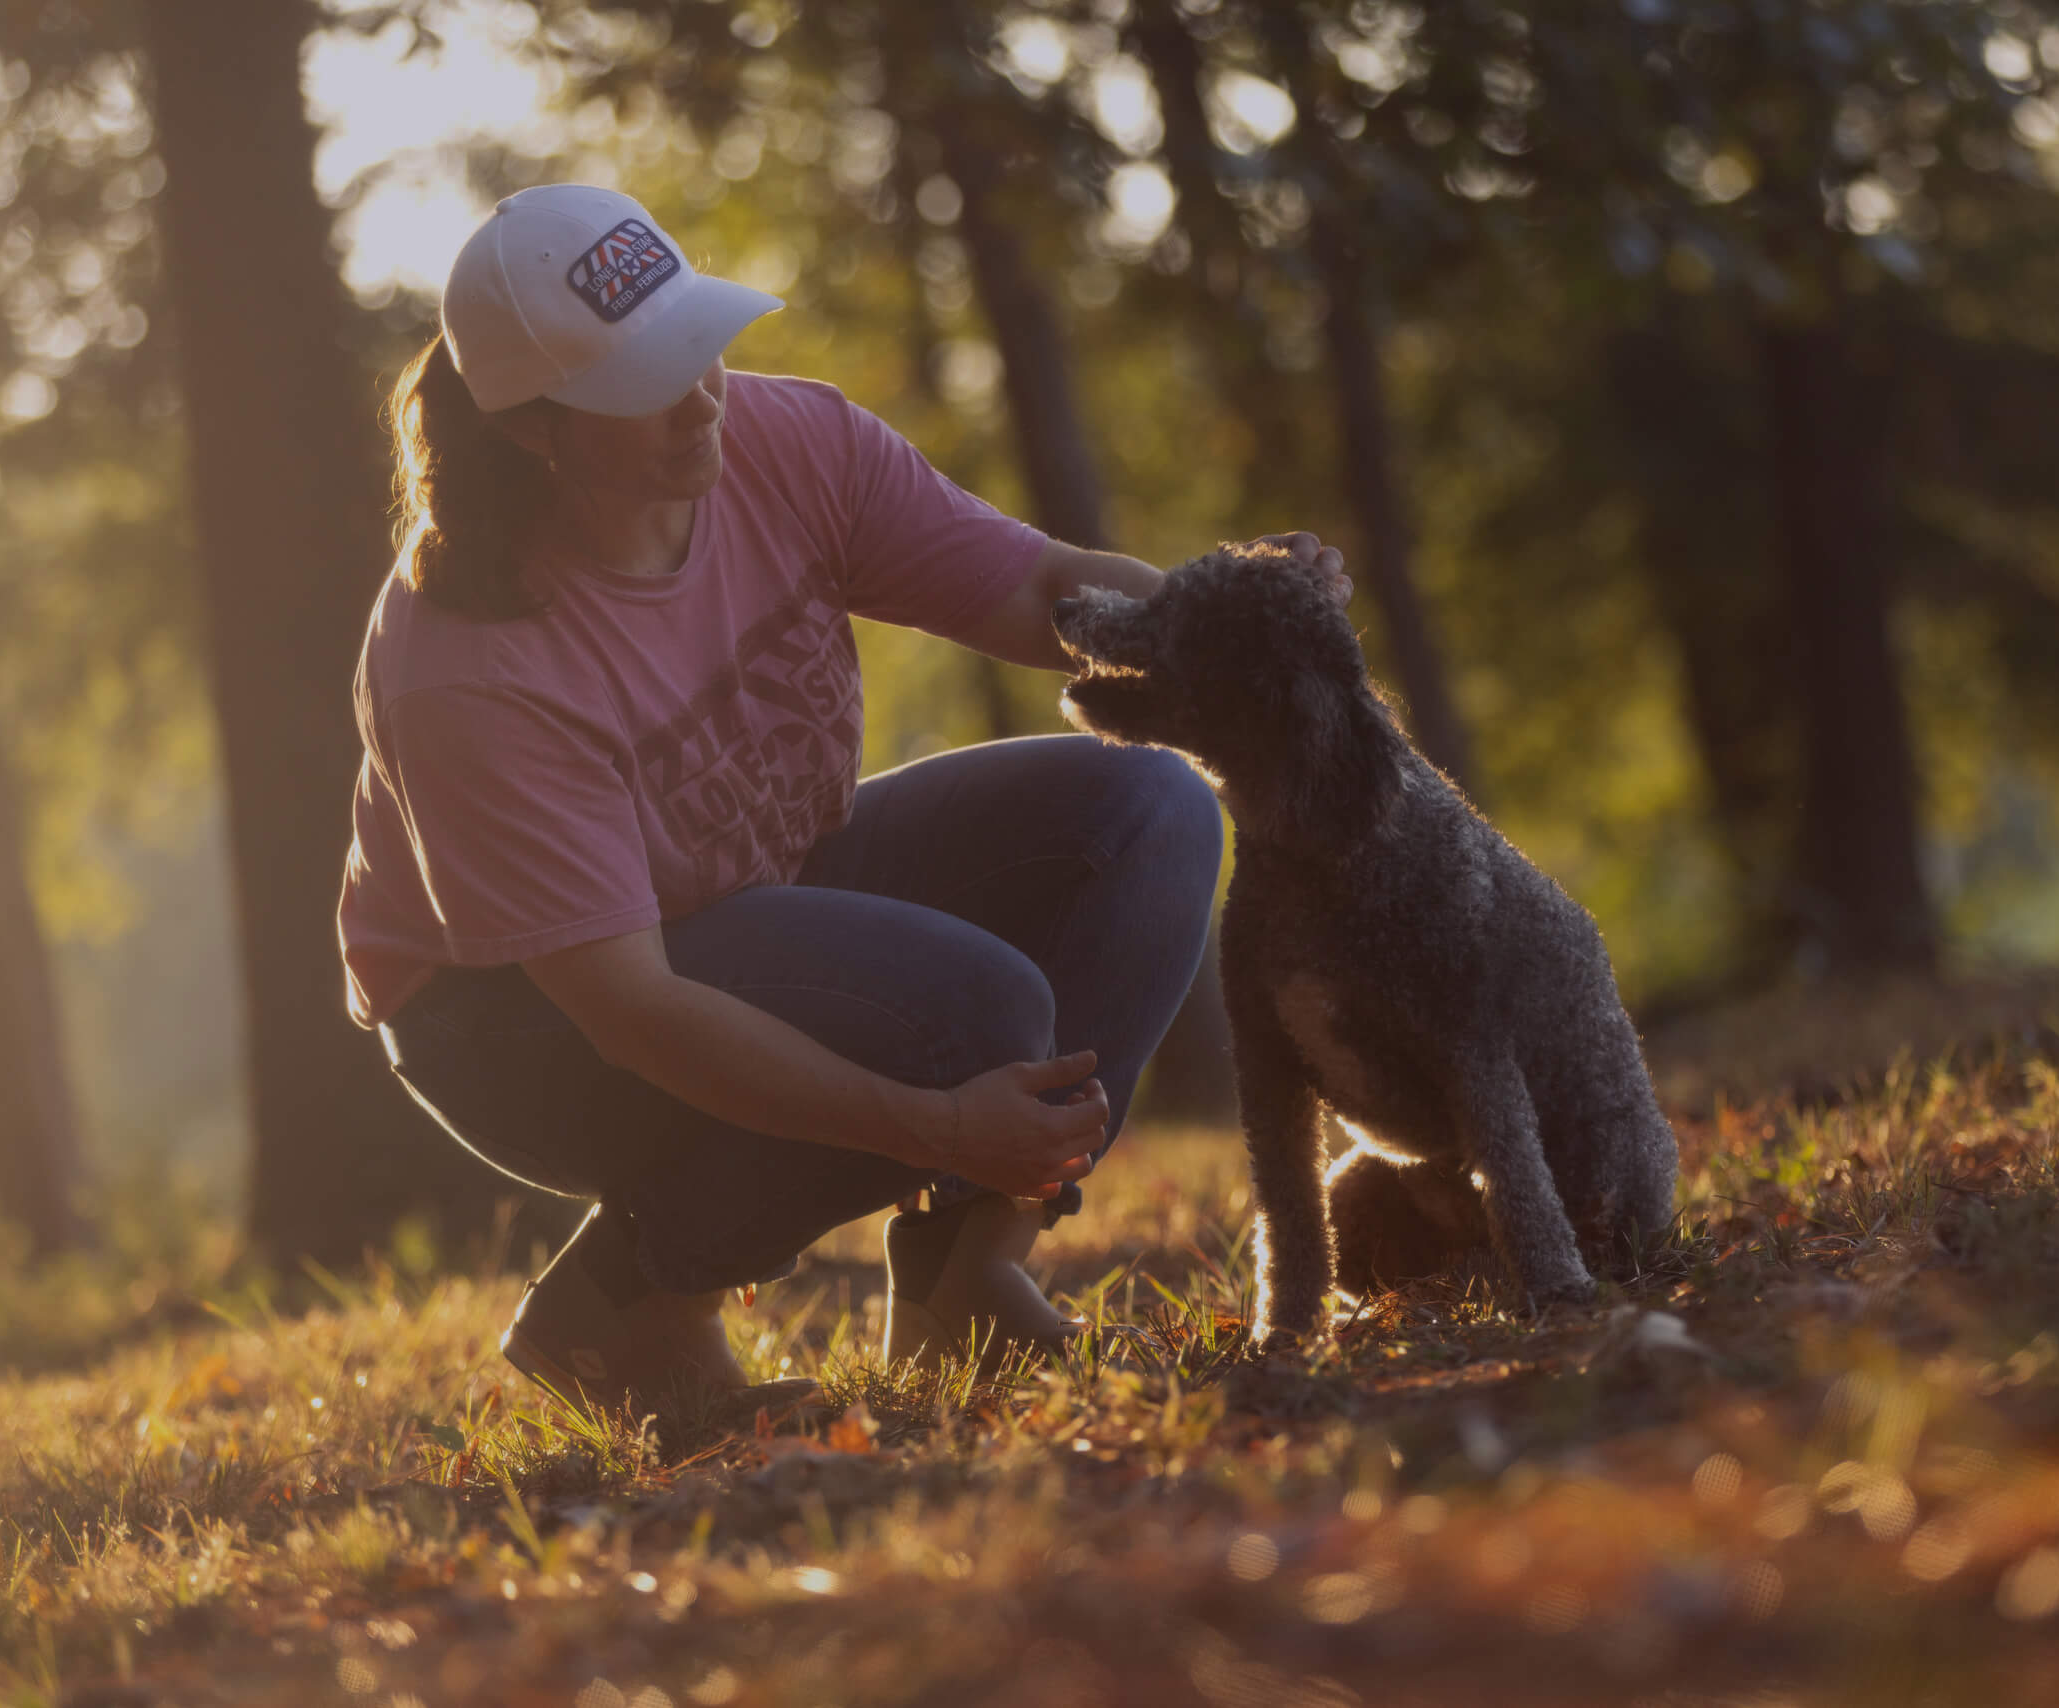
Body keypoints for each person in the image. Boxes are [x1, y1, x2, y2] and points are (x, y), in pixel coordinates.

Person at [335, 184, 1348, 1420]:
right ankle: (626, 1321)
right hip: (522, 1022)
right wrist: (929, 1124)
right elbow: (633, 1008)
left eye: (696, 347)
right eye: (643, 384)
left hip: (760, 880)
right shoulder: (465, 664)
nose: (702, 397)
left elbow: (1036, 589)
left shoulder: (785, 443)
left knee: (1145, 813)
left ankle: (966, 1287)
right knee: (967, 1008)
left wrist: (1233, 622)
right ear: (535, 429)